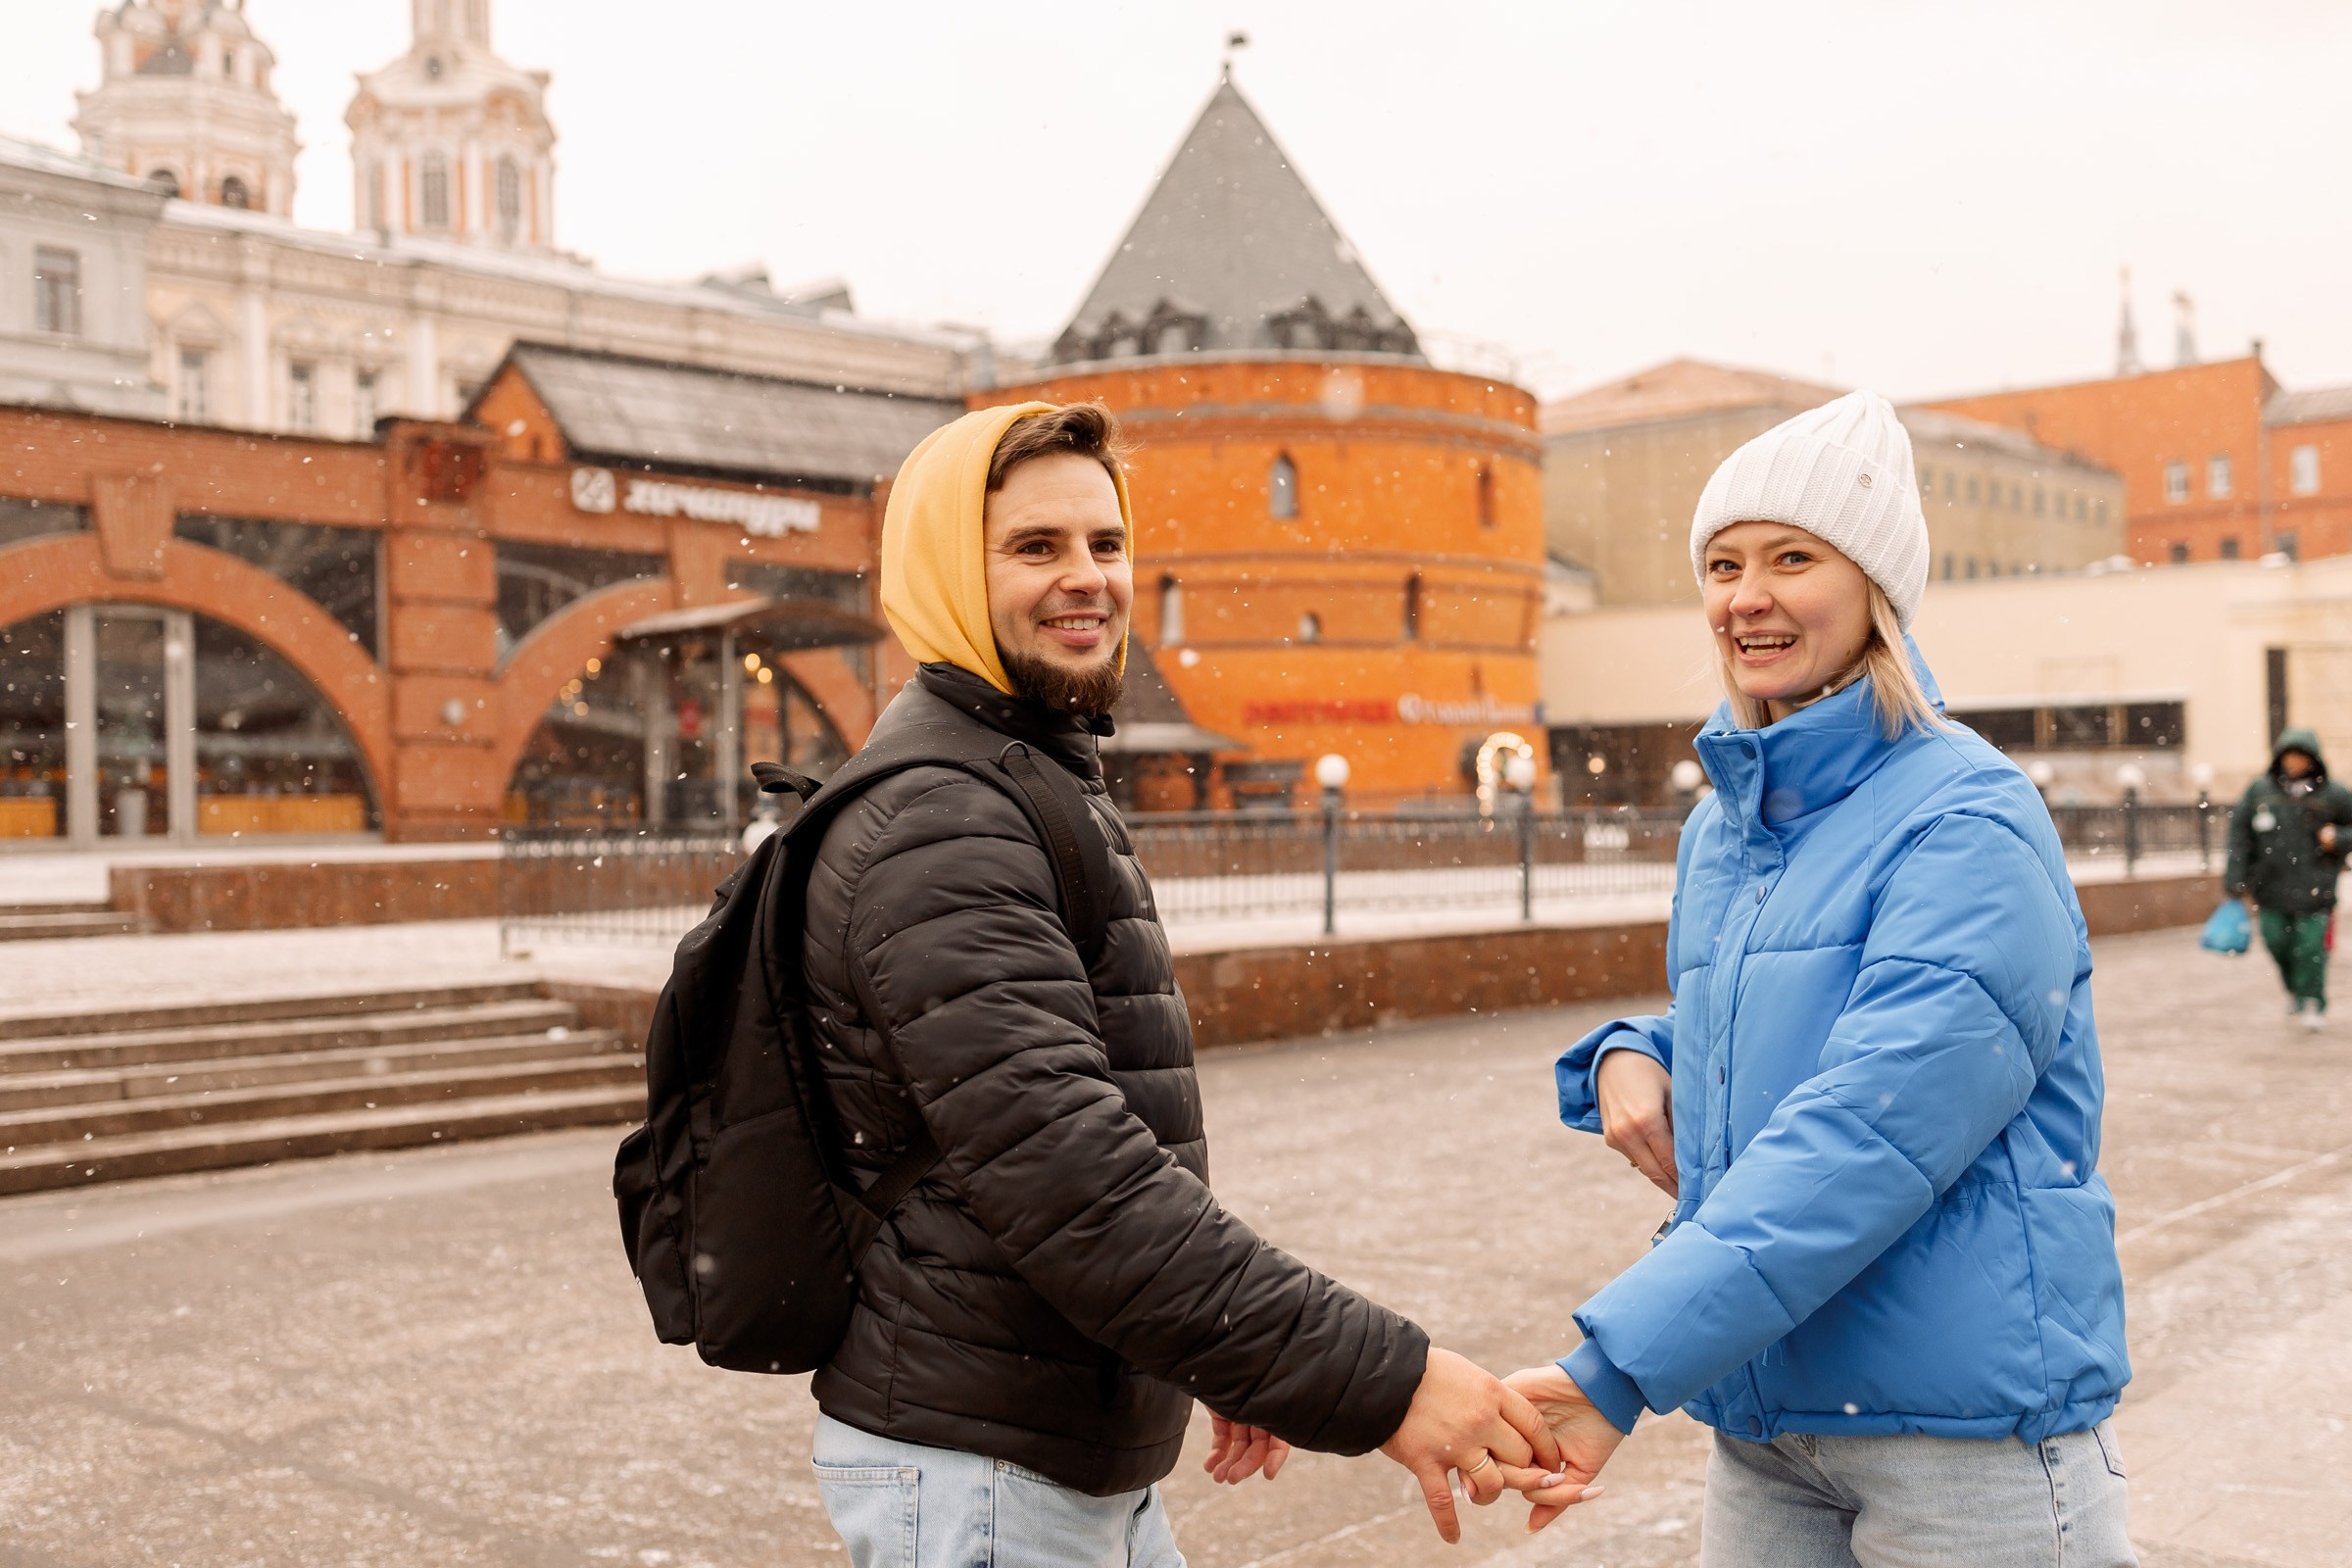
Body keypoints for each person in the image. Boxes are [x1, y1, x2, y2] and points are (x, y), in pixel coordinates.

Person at [801, 400, 1562, 1566]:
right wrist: (1385, 1382)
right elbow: (1075, 1179)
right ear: (949, 569)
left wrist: (1207, 1350)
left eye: (1106, 544)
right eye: (1036, 547)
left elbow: (1070, 1166)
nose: (1088, 578)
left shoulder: (1018, 773)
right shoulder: (945, 820)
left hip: (1044, 1436)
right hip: (987, 1463)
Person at [1497, 393, 2135, 1565]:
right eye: (1725, 563)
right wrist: (1646, 1044)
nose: (1749, 595)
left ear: (1876, 589)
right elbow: (1782, 1021)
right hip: (1771, 1426)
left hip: (1962, 1443)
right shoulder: (1729, 826)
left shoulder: (1966, 816)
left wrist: (1617, 1365)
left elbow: (1867, 1127)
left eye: (1794, 557)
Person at [2224, 727, 2352, 1029]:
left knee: (2310, 948)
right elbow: (2239, 836)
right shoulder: (2260, 791)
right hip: (2270, 886)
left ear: (2312, 759)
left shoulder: (2334, 794)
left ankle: (2313, 1001)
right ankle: (2296, 989)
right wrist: (2235, 879)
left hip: (2316, 886)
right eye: (2288, 756)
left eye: (2300, 756)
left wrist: (2339, 838)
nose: (2293, 763)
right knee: (2275, 941)